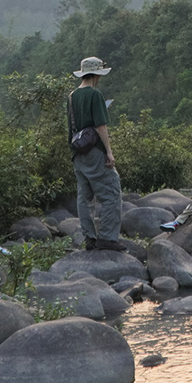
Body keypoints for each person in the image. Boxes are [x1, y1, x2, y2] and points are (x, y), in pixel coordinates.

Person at [68, 55, 124, 251]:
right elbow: (100, 126)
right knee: (112, 193)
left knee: (84, 197)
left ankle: (90, 238)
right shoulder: (95, 95)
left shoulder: (72, 96)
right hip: (94, 151)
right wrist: (109, 152)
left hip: (77, 152)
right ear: (96, 75)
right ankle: (107, 237)